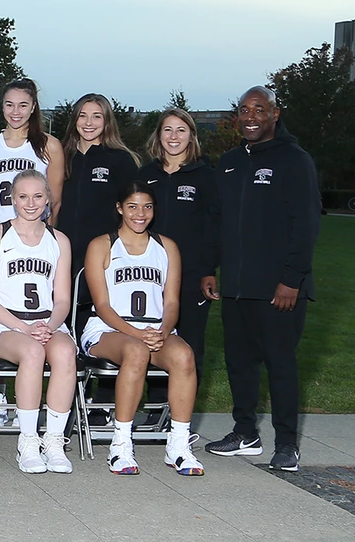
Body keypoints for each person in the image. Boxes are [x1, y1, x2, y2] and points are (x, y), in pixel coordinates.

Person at [202, 87, 320, 472]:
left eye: (259, 109)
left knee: (281, 364)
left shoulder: (295, 160)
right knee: (239, 363)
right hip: (236, 287)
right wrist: (209, 267)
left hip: (278, 290)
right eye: (243, 110)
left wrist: (291, 279)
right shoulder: (231, 162)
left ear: (275, 114)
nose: (250, 116)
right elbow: (218, 221)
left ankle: (287, 444)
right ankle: (245, 433)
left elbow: (306, 225)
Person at [81, 182, 203, 476]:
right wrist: (138, 334)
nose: (140, 214)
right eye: (133, 206)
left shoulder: (166, 247)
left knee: (185, 356)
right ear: (120, 208)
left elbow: (172, 301)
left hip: (155, 330)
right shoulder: (102, 245)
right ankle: (120, 445)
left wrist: (163, 330)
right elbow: (102, 304)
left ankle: (178, 445)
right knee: (136, 352)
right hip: (108, 329)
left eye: (147, 207)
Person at [0, 78, 66, 426]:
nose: (16, 111)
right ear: (2, 107)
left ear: (33, 107)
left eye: (23, 105)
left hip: (35, 234)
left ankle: (29, 404)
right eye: (9, 104)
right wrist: (2, 227)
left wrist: (40, 235)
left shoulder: (49, 147)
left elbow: (52, 198)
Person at [0, 169, 78, 474]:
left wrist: (49, 325)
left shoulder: (59, 240)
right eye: (23, 196)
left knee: (64, 352)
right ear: (12, 199)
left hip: (47, 323)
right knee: (32, 352)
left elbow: (62, 299)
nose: (30, 203)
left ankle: (55, 440)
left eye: (37, 196)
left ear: (48, 199)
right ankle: (28, 440)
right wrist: (24, 328)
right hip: (4, 324)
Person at [138, 108, 219, 382]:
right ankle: (157, 410)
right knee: (154, 342)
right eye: (168, 130)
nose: (174, 136)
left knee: (189, 346)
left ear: (192, 136)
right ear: (158, 135)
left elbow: (214, 227)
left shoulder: (206, 176)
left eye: (181, 130)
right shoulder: (145, 174)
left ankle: (183, 418)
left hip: (191, 275)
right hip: (150, 275)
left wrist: (208, 269)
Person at [54, 93, 139, 277]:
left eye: (96, 116)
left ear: (107, 121)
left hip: (105, 254)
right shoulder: (60, 156)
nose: (88, 122)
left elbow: (133, 209)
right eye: (82, 115)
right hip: (62, 253)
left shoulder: (120, 159)